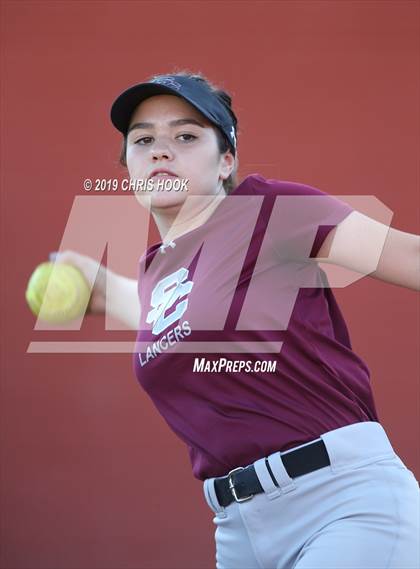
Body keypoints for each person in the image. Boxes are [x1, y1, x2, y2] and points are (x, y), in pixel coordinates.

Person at [54, 71, 420, 569]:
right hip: (238, 530)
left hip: (342, 503)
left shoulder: (271, 210)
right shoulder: (157, 274)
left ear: (226, 160)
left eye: (185, 135)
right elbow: (170, 317)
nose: (161, 150)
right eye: (143, 140)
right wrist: (100, 286)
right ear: (128, 167)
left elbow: (412, 260)